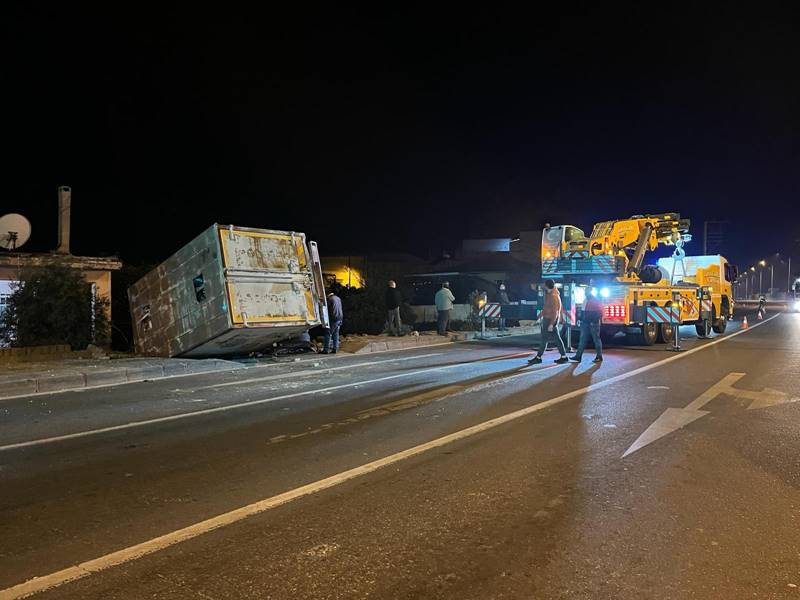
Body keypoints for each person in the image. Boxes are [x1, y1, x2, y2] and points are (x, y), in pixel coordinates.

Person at [529, 279, 569, 364]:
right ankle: (564, 356)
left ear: (547, 285)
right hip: (549, 319)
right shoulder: (550, 293)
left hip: (550, 320)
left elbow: (555, 311)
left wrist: (551, 324)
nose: (543, 285)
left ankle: (538, 357)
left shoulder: (553, 296)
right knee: (557, 339)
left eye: (544, 284)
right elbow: (548, 308)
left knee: (544, 339)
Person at [570, 286, 603, 363]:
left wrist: (593, 321)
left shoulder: (595, 300)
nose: (585, 292)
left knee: (596, 339)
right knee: (583, 340)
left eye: (586, 291)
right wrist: (581, 319)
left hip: (592, 323)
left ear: (590, 292)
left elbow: (599, 313)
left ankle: (599, 356)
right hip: (586, 322)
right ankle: (578, 356)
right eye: (585, 291)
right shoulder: (586, 299)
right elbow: (583, 311)